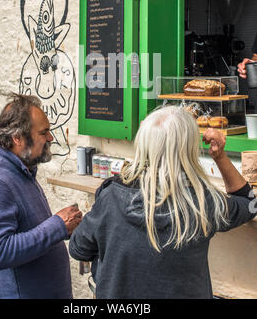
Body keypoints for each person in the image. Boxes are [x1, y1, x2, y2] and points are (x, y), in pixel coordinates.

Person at [69, 106, 256, 299]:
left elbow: (78, 249)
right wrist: (220, 157)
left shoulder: (112, 196)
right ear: (189, 149)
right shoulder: (203, 202)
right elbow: (249, 203)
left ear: (143, 143)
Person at [0, 94, 82, 299]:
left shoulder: (22, 172)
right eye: (44, 132)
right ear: (17, 138)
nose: (50, 138)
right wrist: (57, 225)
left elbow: (31, 231)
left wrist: (65, 228)